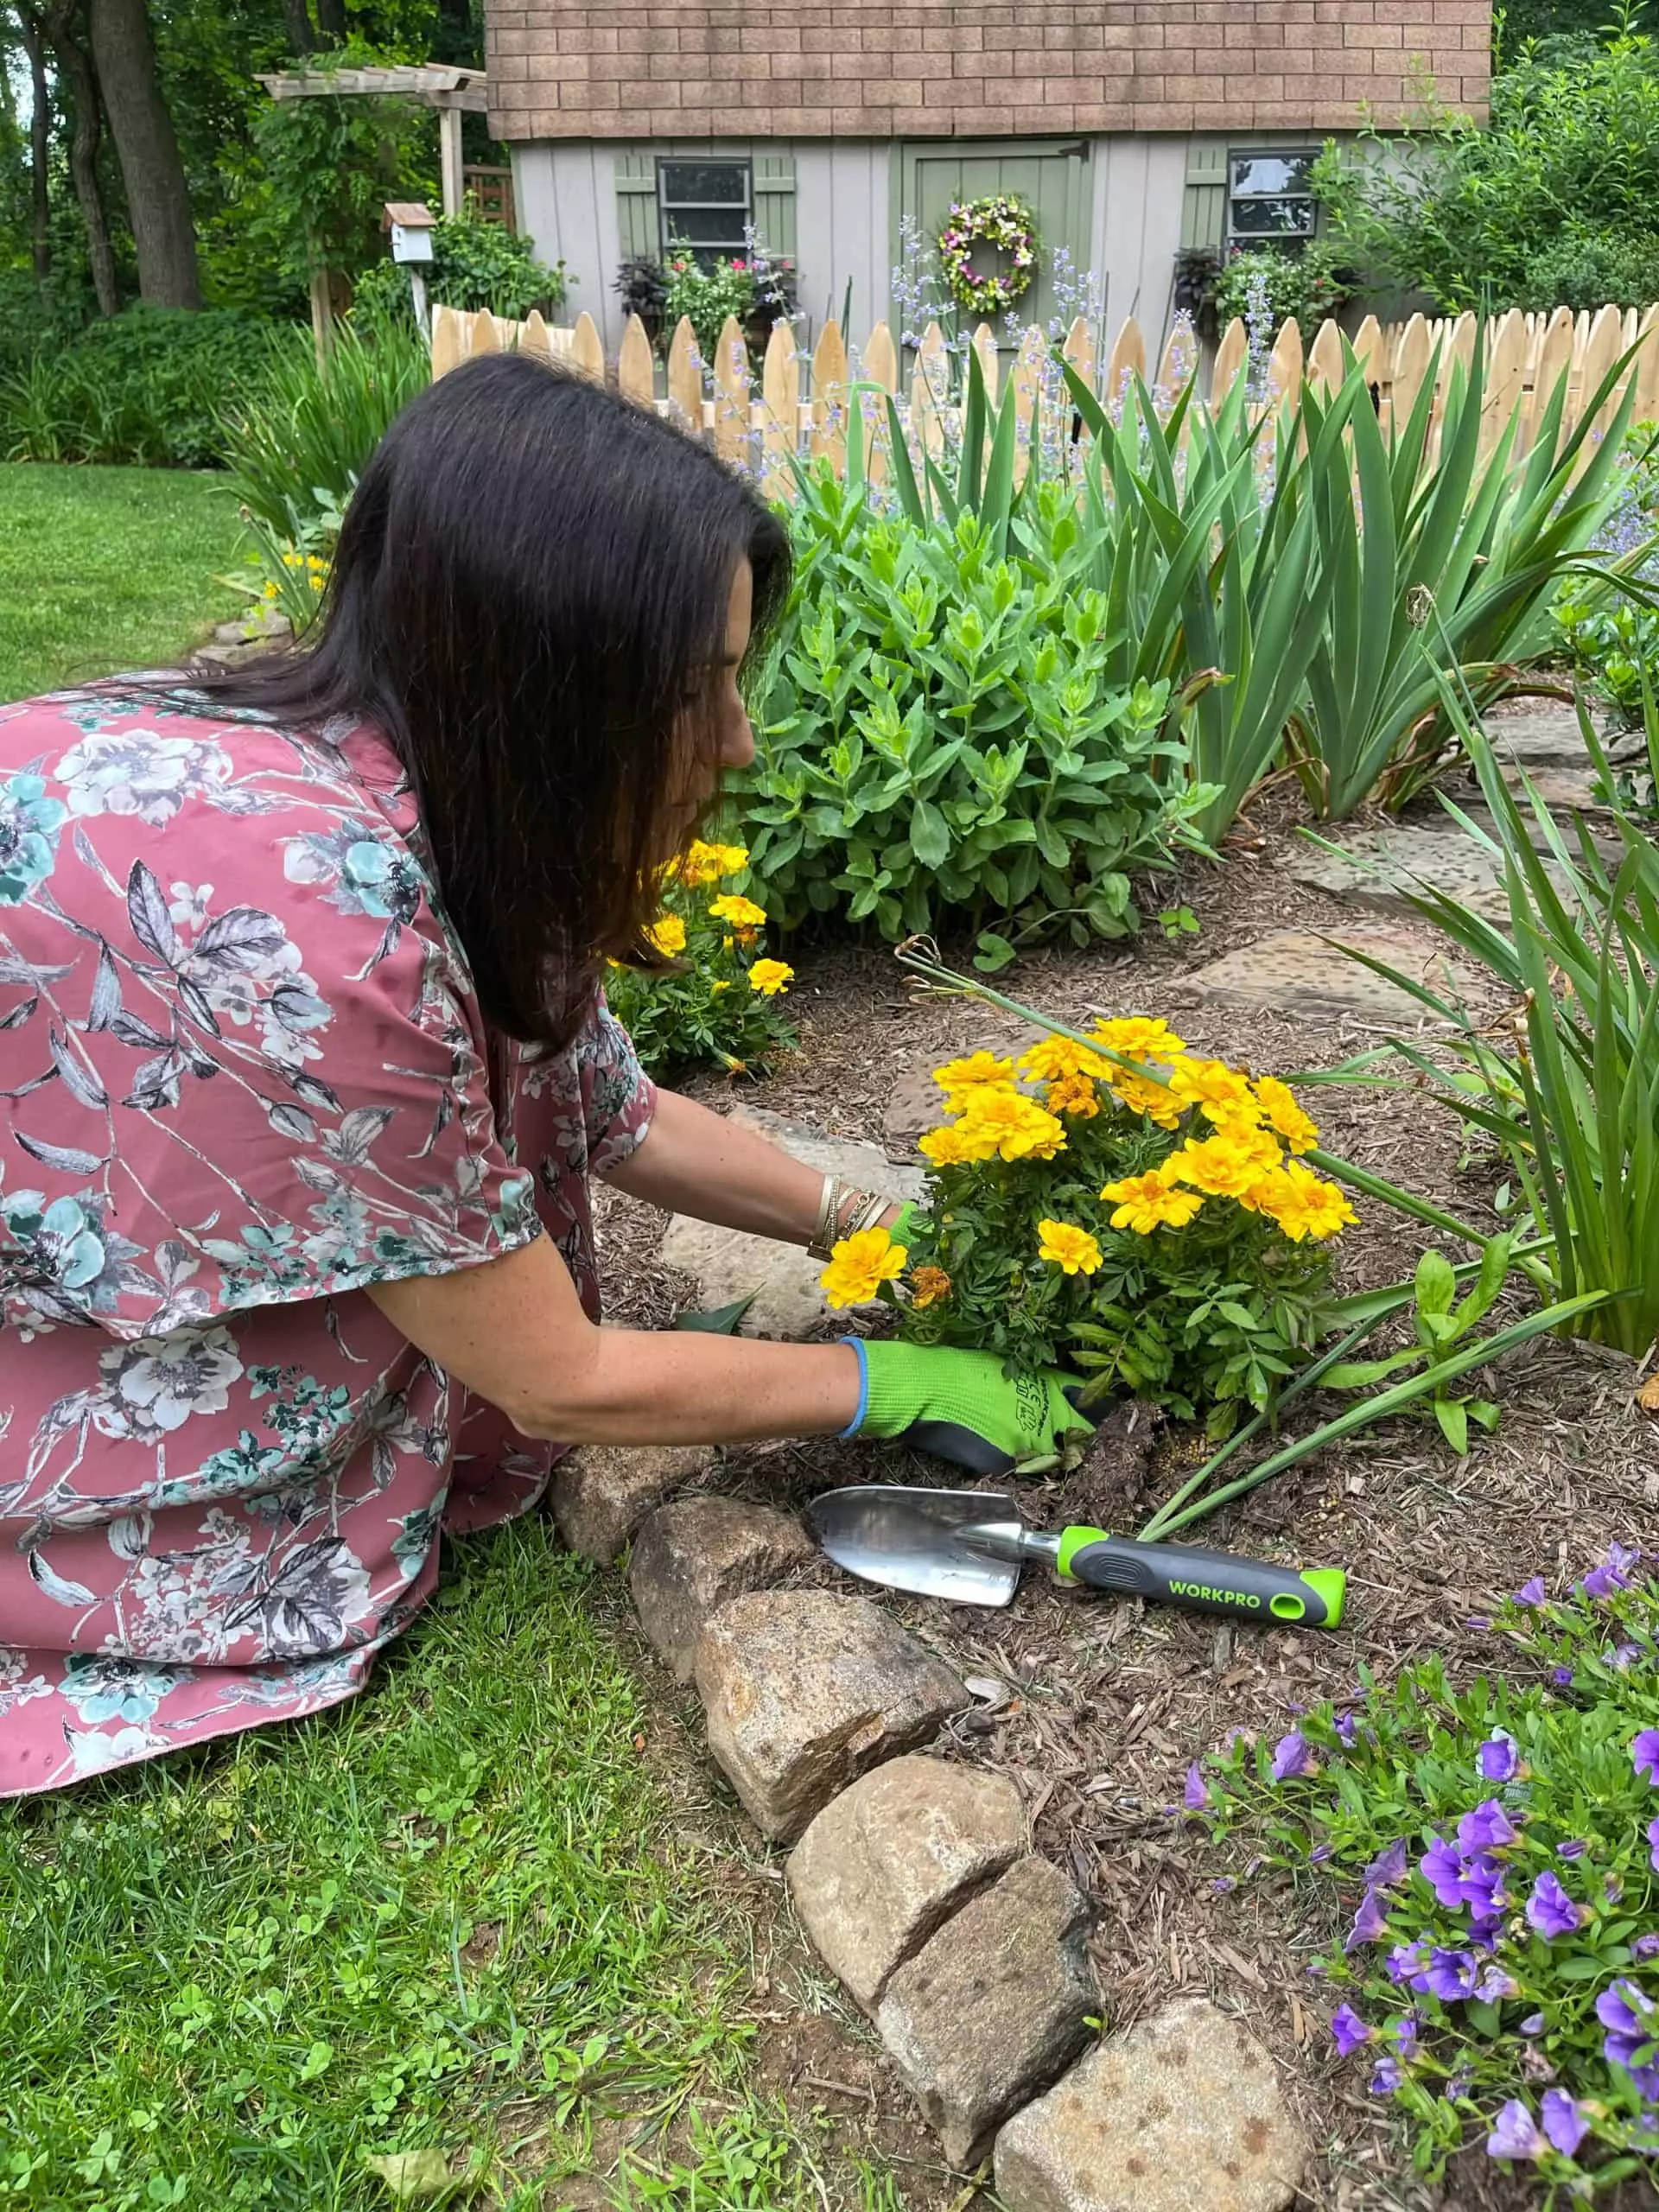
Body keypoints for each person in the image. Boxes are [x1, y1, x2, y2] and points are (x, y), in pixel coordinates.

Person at [0, 353, 1090, 1796]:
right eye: (699, 693)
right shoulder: (325, 940)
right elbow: (555, 1378)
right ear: (545, 685)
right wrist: (877, 1381)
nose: (742, 741)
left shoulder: (429, 775)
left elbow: (612, 1113)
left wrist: (865, 1220)